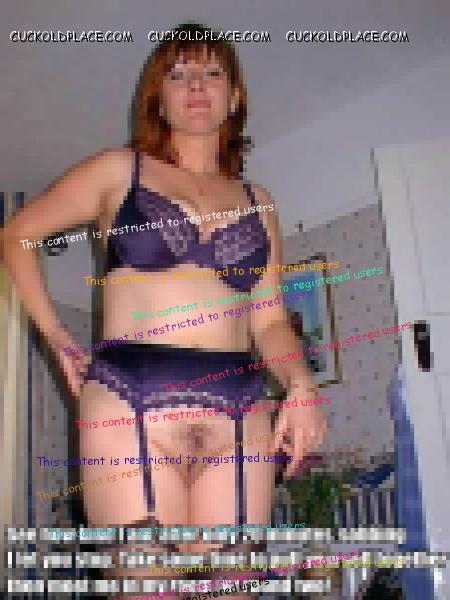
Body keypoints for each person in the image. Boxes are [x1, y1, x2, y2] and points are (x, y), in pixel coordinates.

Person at [2, 22, 326, 598]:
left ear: (235, 97)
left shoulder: (259, 202)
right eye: (178, 74)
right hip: (131, 398)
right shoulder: (117, 170)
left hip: (241, 406)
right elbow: (17, 235)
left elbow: (271, 318)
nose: (196, 84)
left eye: (212, 72)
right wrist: (57, 338)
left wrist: (301, 384)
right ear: (159, 97)